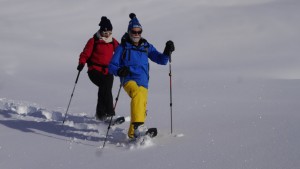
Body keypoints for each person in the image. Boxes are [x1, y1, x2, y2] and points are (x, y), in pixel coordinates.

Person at [109, 13, 175, 139]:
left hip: (143, 81)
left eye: (139, 32)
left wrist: (167, 50)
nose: (137, 34)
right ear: (129, 32)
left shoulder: (146, 46)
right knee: (137, 94)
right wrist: (119, 71)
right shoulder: (122, 47)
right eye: (134, 32)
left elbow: (162, 60)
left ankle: (133, 134)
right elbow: (111, 66)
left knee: (140, 105)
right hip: (128, 79)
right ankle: (138, 127)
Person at [77, 16, 119, 121]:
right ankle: (109, 113)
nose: (107, 35)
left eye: (110, 32)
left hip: (108, 71)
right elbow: (85, 54)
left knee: (105, 89)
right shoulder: (93, 41)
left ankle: (100, 115)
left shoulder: (113, 41)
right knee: (105, 86)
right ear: (101, 31)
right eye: (105, 33)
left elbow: (121, 51)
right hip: (94, 70)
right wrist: (82, 63)